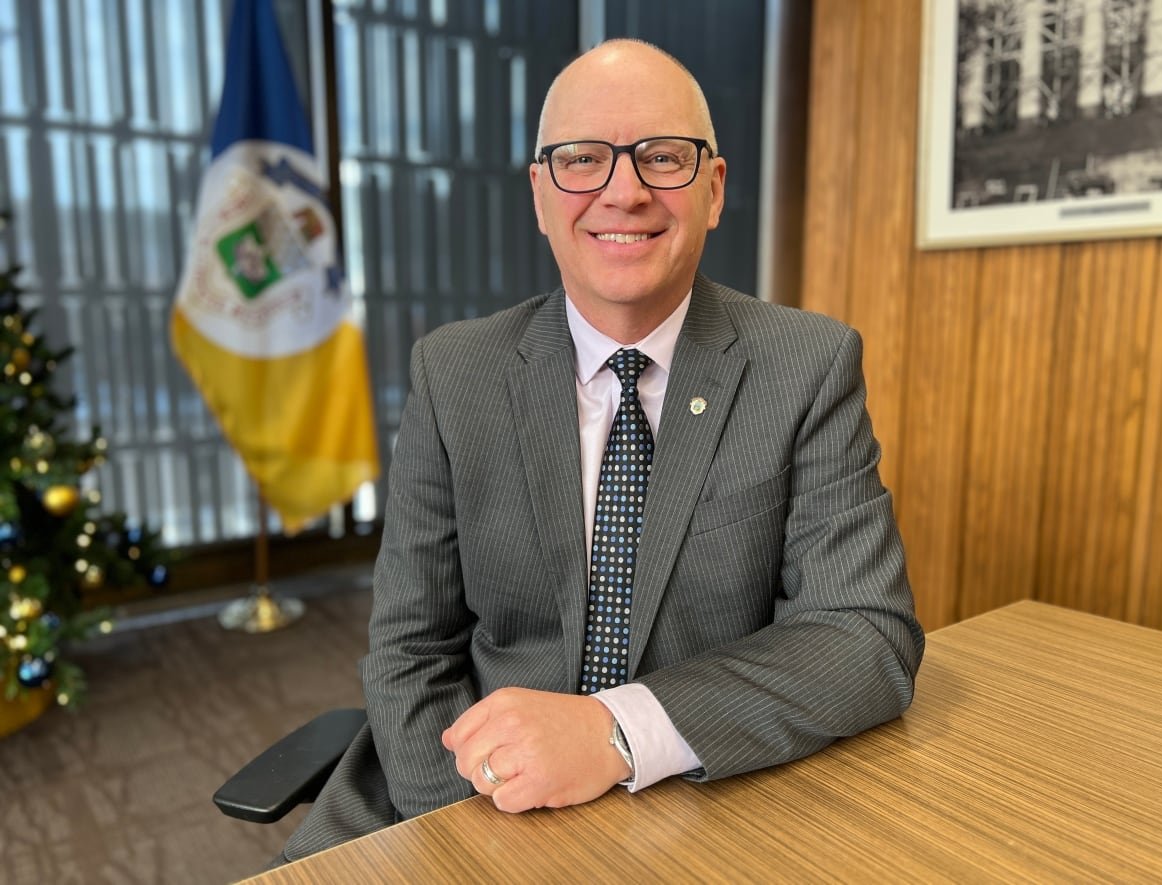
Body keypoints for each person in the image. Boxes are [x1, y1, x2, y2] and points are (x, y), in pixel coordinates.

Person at [281, 38, 923, 862]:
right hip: (457, 792)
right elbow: (412, 648)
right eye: (583, 159)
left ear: (715, 188)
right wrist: (476, 836)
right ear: (541, 195)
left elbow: (866, 636)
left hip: (704, 795)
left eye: (663, 156)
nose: (625, 191)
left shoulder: (807, 365)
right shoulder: (455, 371)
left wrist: (618, 731)